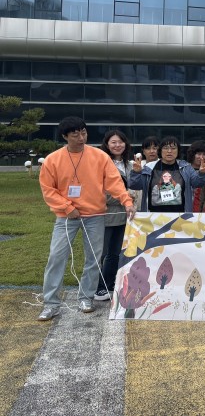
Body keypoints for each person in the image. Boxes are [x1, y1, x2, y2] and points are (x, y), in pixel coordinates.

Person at [38, 117, 136, 320]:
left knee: (93, 258)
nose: (81, 138)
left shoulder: (99, 156)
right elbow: (48, 190)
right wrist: (67, 207)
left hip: (95, 215)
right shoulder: (52, 160)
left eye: (83, 133)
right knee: (56, 257)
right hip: (66, 217)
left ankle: (86, 297)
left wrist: (126, 201)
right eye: (75, 134)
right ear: (65, 136)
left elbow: (114, 182)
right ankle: (51, 303)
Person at [94, 130, 138, 302]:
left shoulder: (129, 165)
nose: (117, 145)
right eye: (113, 142)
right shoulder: (100, 164)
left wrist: (130, 197)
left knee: (115, 254)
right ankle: (97, 287)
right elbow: (99, 193)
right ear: (106, 144)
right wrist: (125, 196)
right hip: (105, 216)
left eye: (120, 142)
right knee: (101, 254)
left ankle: (109, 284)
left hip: (124, 216)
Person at [129, 136, 205, 212]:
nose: (169, 151)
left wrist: (202, 173)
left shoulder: (186, 168)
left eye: (173, 148)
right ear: (160, 150)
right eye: (166, 148)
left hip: (180, 216)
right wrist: (136, 173)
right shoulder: (149, 168)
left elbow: (198, 183)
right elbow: (134, 185)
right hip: (153, 217)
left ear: (178, 151)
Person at [187, 140, 205, 212]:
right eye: (198, 154)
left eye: (204, 154)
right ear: (192, 154)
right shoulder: (184, 169)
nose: (201, 157)